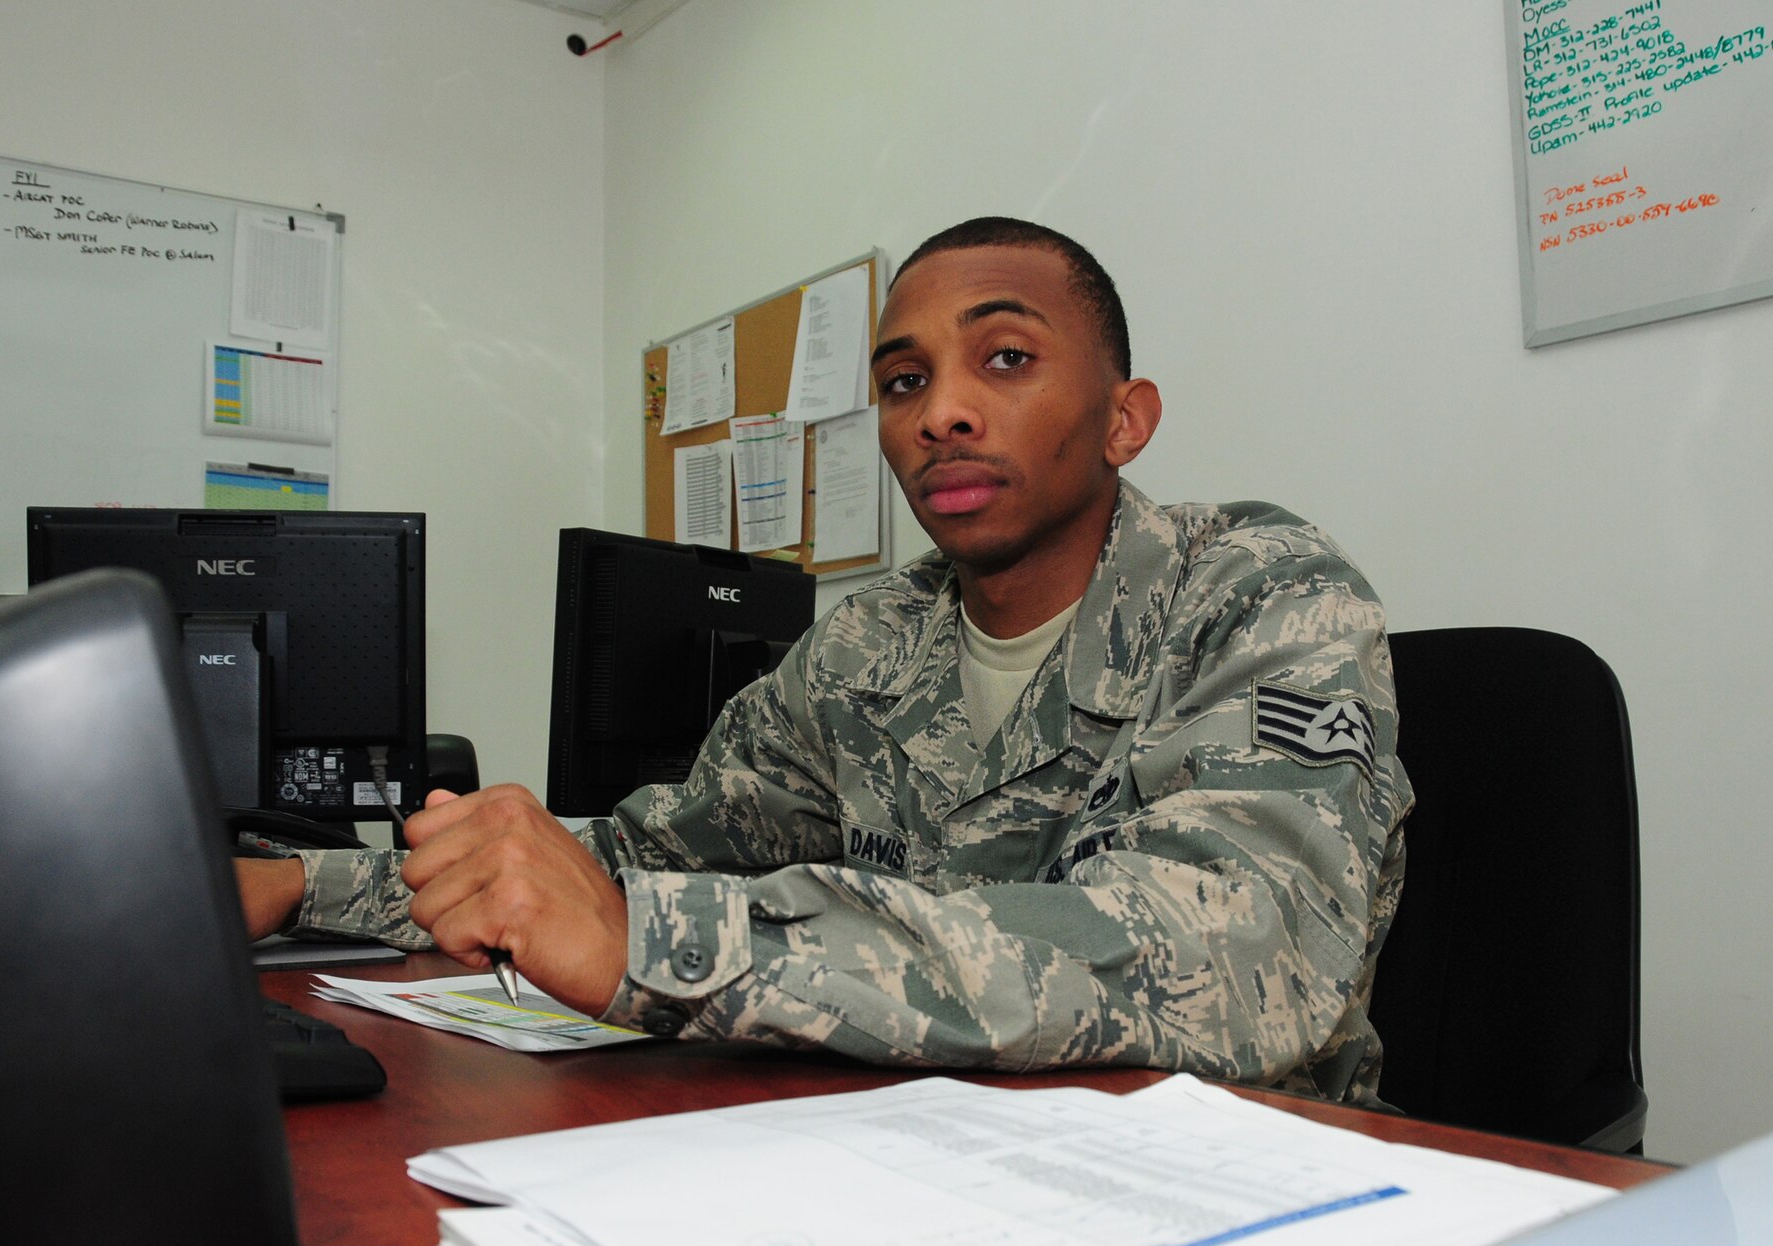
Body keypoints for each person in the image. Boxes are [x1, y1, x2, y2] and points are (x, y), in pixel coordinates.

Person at [238, 217, 1412, 1103]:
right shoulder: (864, 646)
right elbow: (640, 853)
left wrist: (657, 944)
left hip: (1230, 1187)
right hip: (916, 1155)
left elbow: (1242, 949)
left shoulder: (1261, 589)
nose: (939, 411)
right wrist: (307, 886)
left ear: (1123, 417)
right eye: (902, 381)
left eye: (1002, 359)